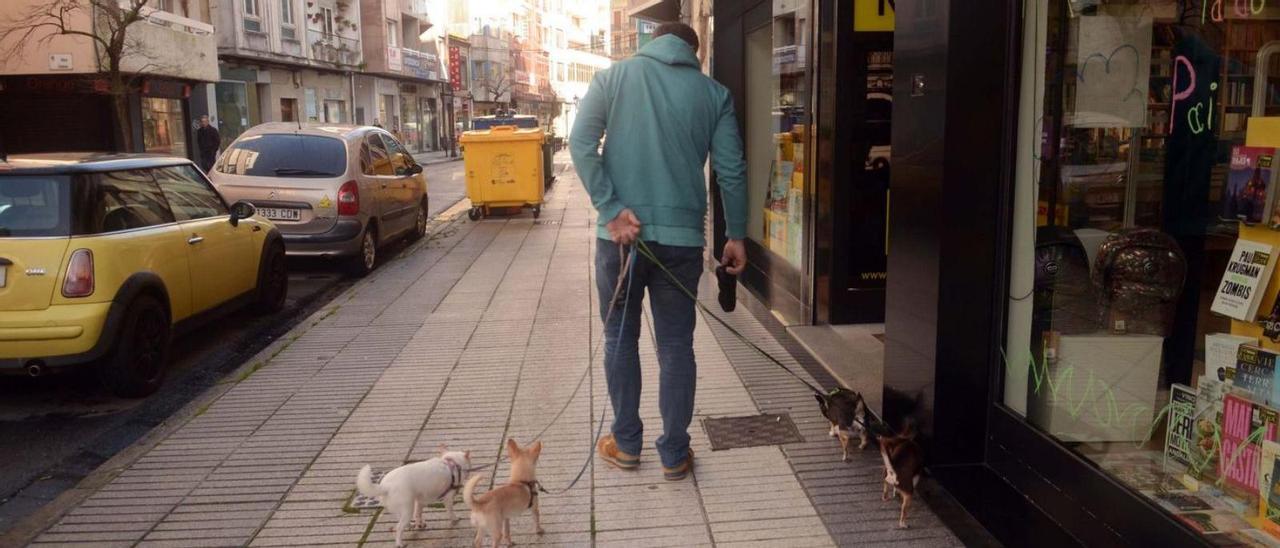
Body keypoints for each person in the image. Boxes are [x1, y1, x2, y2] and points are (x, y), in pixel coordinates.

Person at [570, 22, 747, 481]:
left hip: (621, 240)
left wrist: (611, 210)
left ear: (651, 43)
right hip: (682, 241)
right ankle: (673, 453)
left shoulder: (613, 79)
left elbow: (581, 144)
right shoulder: (714, 95)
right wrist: (737, 234)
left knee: (619, 338)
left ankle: (626, 444)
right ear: (697, 49)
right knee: (675, 345)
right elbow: (731, 170)